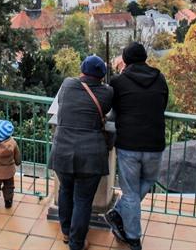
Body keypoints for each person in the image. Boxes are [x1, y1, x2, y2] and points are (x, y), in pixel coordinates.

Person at [104, 42, 169, 250]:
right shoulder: (159, 78)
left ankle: (133, 237)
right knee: (148, 180)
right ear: (144, 58)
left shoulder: (118, 82)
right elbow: (163, 104)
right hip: (155, 142)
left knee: (130, 192)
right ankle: (118, 213)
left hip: (128, 144)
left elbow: (113, 111)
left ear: (126, 60)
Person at [48, 55, 114, 250]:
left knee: (65, 191)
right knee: (83, 200)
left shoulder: (67, 84)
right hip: (90, 155)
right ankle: (77, 243)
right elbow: (107, 111)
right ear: (102, 76)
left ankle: (67, 232)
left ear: (82, 70)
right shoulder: (107, 93)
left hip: (63, 150)